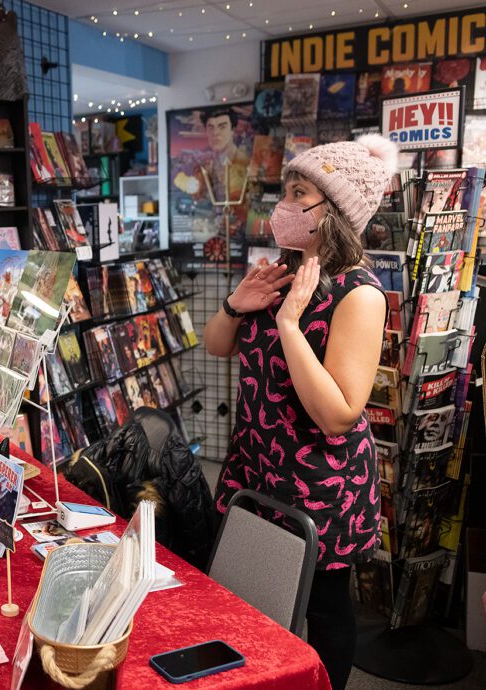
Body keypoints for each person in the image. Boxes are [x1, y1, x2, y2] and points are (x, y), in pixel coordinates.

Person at [204, 135, 398, 690]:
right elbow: (218, 346)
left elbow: (337, 413)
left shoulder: (359, 294)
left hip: (321, 481)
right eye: (285, 191)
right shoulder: (284, 273)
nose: (284, 206)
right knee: (254, 598)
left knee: (325, 608)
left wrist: (290, 326)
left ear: (333, 212)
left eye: (299, 193)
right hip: (259, 465)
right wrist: (234, 306)